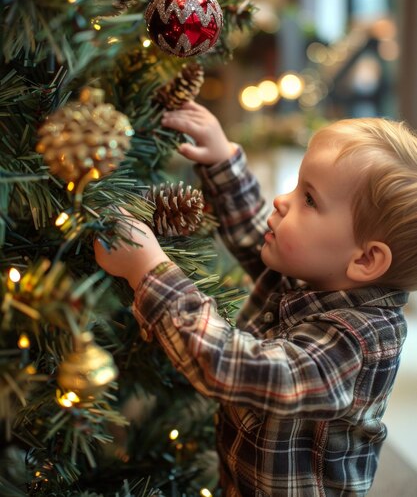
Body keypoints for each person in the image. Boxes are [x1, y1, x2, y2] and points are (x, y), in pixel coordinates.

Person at [94, 100, 417, 497]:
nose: (282, 200)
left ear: (365, 259)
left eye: (310, 199)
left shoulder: (358, 342)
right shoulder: (319, 275)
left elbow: (234, 367)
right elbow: (254, 235)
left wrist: (149, 271)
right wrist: (222, 160)